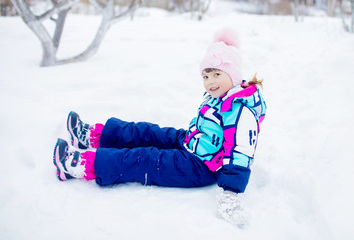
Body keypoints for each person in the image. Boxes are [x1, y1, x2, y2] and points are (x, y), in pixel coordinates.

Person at [52, 28, 266, 225]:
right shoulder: (220, 95)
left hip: (202, 167)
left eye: (217, 74)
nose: (210, 82)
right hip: (191, 143)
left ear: (234, 76)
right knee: (148, 132)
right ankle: (93, 136)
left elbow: (241, 152)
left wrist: (231, 193)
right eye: (206, 76)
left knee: (145, 159)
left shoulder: (241, 110)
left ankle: (83, 165)